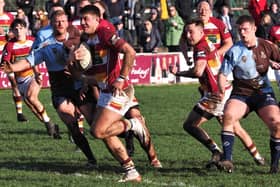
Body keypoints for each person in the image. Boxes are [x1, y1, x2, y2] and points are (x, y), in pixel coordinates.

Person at [73, 5, 160, 182]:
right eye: (81, 19)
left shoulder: (105, 31)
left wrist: (121, 77)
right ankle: (131, 171)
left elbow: (130, 51)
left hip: (119, 90)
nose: (82, 23)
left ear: (97, 19)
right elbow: (96, 66)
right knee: (105, 133)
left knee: (97, 131)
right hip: (106, 90)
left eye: (86, 19)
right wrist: (85, 80)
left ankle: (132, 125)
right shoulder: (87, 38)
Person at [1, 10, 97, 168]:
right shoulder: (46, 46)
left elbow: (90, 63)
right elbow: (29, 61)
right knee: (72, 125)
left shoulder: (78, 41)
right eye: (57, 21)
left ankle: (128, 133)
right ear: (51, 25)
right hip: (60, 88)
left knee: (96, 127)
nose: (60, 24)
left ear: (67, 23)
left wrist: (84, 76)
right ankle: (91, 159)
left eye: (63, 21)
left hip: (79, 86)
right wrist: (12, 67)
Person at [173, 16, 265, 169]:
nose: (188, 36)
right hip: (225, 89)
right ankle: (258, 157)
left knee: (190, 125)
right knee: (234, 126)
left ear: (201, 31)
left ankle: (216, 151)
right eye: (186, 32)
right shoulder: (208, 42)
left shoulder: (200, 47)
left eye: (191, 32)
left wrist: (178, 73)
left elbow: (198, 71)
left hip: (216, 94)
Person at [217, 15, 280, 173]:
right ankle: (228, 160)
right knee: (228, 115)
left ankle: (274, 165)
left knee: (277, 123)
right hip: (241, 94)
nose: (242, 33)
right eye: (240, 30)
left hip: (263, 92)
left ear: (254, 29)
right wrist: (220, 90)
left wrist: (273, 63)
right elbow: (223, 74)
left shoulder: (267, 46)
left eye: (245, 29)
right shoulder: (234, 50)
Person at [2, 18, 61, 139]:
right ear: (12, 31)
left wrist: (38, 73)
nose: (18, 31)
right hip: (20, 81)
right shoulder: (10, 46)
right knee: (33, 108)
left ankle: (49, 124)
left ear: (26, 29)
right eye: (16, 29)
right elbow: (5, 64)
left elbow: (37, 57)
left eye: (21, 28)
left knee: (31, 97)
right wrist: (6, 66)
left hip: (34, 75)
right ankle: (50, 124)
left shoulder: (33, 41)